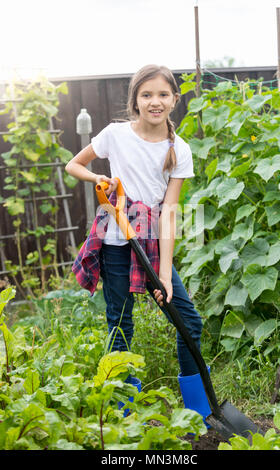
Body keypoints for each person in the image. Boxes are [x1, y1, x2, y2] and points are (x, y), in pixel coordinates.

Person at [65, 64, 211, 423]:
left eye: (163, 94)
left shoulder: (180, 148)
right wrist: (98, 176)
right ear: (135, 101)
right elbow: (74, 165)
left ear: (175, 100)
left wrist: (163, 274)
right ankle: (124, 411)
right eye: (146, 95)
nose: (155, 102)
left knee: (188, 321)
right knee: (120, 324)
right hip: (116, 240)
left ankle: (197, 409)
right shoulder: (115, 135)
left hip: (153, 242)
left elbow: (170, 210)